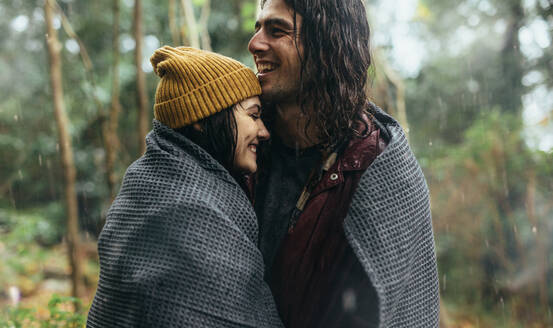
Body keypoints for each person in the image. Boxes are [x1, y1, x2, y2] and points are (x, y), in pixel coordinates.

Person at [248, 0, 440, 327]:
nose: (255, 43)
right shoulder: (240, 143)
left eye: (277, 30)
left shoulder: (380, 168)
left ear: (324, 45)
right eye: (258, 28)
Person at [87, 46, 283, 327]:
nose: (264, 131)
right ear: (203, 120)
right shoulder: (188, 208)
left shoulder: (151, 180)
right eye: (253, 115)